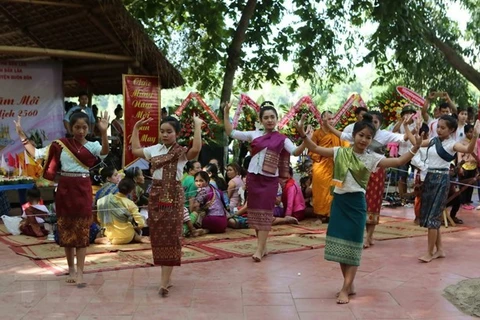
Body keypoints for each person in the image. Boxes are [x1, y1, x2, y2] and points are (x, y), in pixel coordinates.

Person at [295, 113, 422, 304]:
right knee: (339, 245)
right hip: (339, 203)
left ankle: (345, 288)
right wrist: (303, 135)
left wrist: (416, 147)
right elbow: (314, 148)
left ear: (372, 140)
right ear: (353, 135)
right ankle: (349, 282)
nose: (364, 140)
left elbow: (397, 162)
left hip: (356, 205)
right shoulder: (340, 151)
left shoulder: (372, 158)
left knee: (353, 246)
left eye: (368, 137)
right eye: (361, 135)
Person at [15, 111, 109, 287]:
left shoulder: (93, 145)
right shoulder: (61, 145)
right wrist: (21, 134)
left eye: (84, 127)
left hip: (82, 189)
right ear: (70, 128)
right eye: (77, 127)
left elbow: (104, 152)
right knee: (67, 230)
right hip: (65, 190)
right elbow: (37, 153)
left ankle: (80, 273)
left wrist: (104, 132)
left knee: (82, 231)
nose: (80, 131)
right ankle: (71, 269)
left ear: (89, 128)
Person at [224, 101, 306, 262]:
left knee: (265, 214)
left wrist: (305, 137)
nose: (269, 120)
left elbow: (296, 151)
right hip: (253, 178)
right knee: (255, 214)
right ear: (260, 120)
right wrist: (226, 114)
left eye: (272, 117)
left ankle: (259, 249)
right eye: (266, 117)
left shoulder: (282, 138)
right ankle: (263, 246)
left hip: (270, 180)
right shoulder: (254, 134)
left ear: (277, 119)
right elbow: (230, 132)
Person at [130, 114, 202, 297]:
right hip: (156, 194)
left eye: (169, 131)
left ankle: (163, 282)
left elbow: (196, 149)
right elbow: (136, 149)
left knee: (171, 233)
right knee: (159, 234)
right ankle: (166, 278)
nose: (165, 134)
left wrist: (197, 125)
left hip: (173, 193)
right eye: (162, 131)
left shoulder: (180, 152)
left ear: (177, 133)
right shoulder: (155, 149)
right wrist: (136, 128)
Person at [324, 111, 415, 248]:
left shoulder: (385, 135)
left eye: (375, 123)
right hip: (353, 177)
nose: (364, 139)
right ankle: (354, 236)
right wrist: (326, 125)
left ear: (380, 124)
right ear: (356, 135)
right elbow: (337, 136)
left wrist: (412, 133)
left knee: (373, 203)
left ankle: (369, 236)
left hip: (376, 171)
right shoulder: (354, 136)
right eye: (361, 135)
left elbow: (403, 143)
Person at [417, 115, 479, 263]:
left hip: (442, 180)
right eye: (438, 126)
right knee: (433, 216)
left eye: (443, 127)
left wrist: (475, 137)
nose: (439, 130)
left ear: (451, 130)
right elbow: (417, 143)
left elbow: (468, 149)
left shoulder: (453, 144)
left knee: (433, 216)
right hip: (430, 178)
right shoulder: (433, 141)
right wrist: (415, 128)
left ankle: (429, 252)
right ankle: (439, 250)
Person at [308, 110, 349, 222]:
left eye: (332, 119)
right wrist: (323, 154)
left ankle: (332, 214)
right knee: (320, 191)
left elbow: (346, 148)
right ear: (322, 120)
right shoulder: (317, 134)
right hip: (321, 167)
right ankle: (320, 215)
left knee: (334, 191)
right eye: (328, 119)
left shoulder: (337, 134)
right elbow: (311, 150)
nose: (331, 121)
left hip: (335, 166)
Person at [95, 178, 148, 245]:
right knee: (133, 230)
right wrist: (136, 227)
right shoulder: (129, 203)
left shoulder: (102, 201)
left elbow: (99, 219)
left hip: (109, 235)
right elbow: (141, 223)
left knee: (99, 234)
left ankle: (105, 240)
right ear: (131, 191)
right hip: (127, 237)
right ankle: (137, 237)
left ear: (118, 186)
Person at [457, 124, 477, 210]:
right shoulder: (462, 143)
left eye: (473, 132)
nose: (471, 134)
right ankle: (463, 202)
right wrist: (460, 167)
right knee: (464, 186)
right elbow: (459, 156)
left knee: (471, 185)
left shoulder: (475, 142)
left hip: (473, 166)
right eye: (469, 132)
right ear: (465, 133)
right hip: (464, 166)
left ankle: (468, 201)